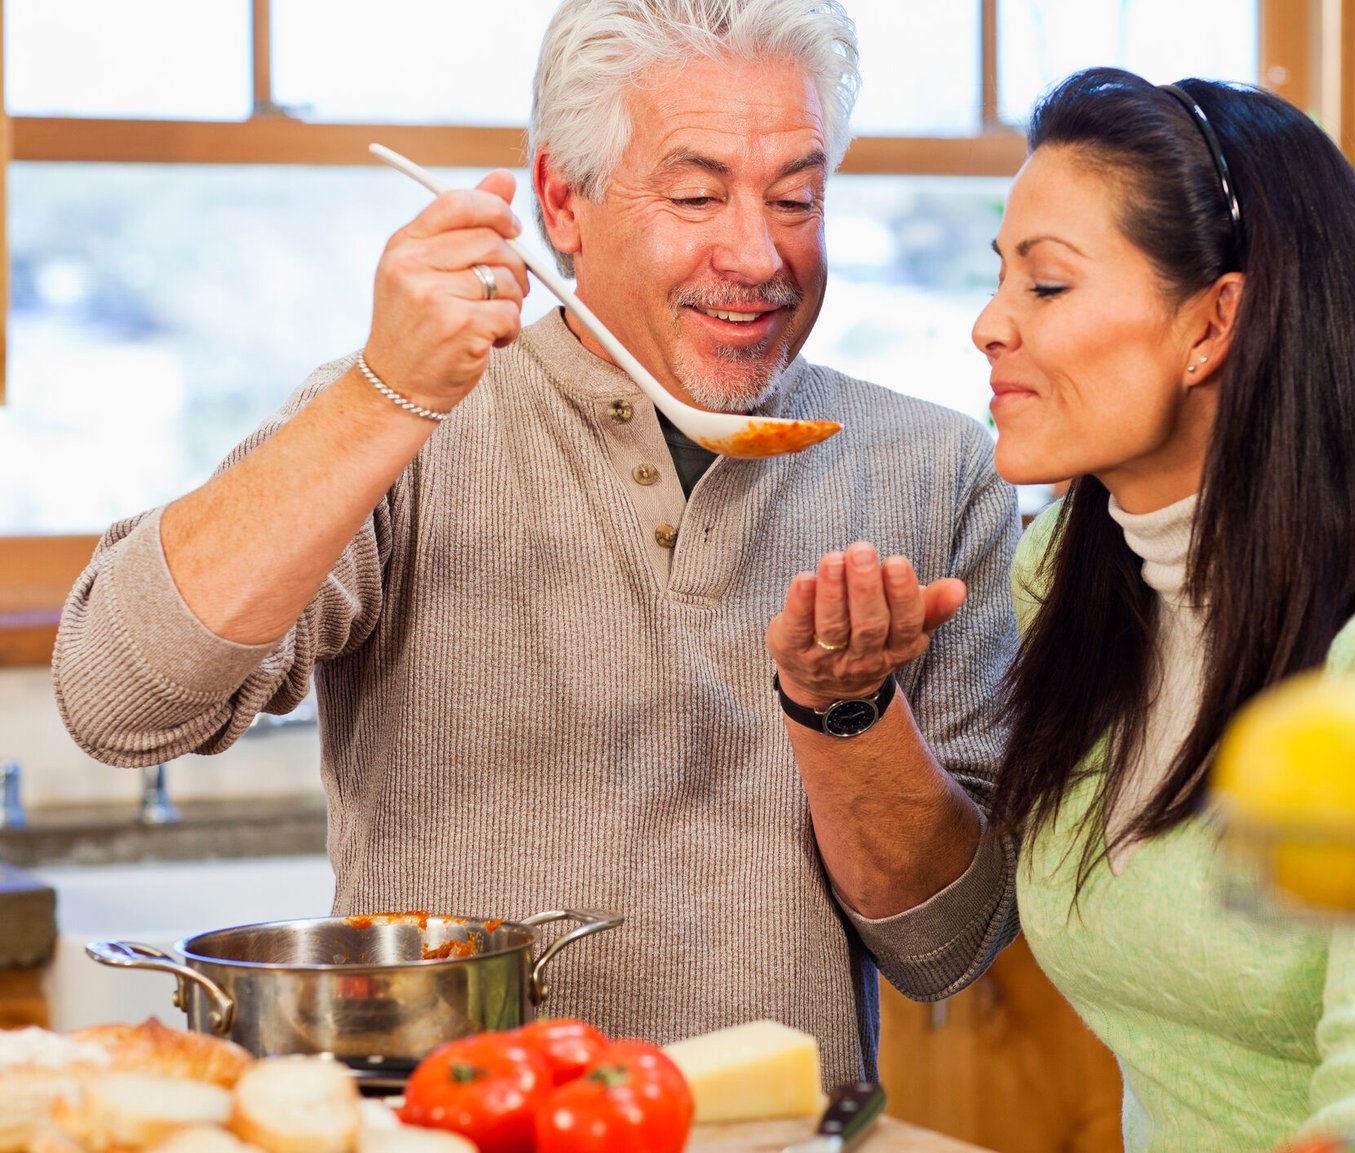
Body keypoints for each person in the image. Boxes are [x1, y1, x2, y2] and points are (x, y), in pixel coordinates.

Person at [50, 0, 1020, 1084]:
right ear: (563, 198)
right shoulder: (405, 416)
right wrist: (384, 396)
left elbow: (947, 949)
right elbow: (114, 698)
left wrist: (848, 713)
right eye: (696, 194)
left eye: (795, 196)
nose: (757, 252)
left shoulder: (933, 467)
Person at [805, 65, 1355, 1150]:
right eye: (1001, 280)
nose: (989, 325)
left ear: (1213, 321)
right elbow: (970, 916)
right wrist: (845, 697)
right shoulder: (1070, 575)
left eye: (1046, 285)